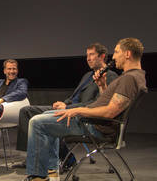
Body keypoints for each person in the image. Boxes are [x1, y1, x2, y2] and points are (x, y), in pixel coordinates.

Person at [23, 38, 147, 181]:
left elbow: (110, 112)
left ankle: (38, 177)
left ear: (127, 54)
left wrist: (78, 110)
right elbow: (111, 106)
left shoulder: (129, 78)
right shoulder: (136, 76)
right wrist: (102, 86)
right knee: (46, 115)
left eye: (117, 52)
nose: (113, 56)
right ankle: (51, 171)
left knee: (37, 122)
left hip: (94, 125)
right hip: (97, 122)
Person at [14, 43, 118, 169]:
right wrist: (64, 103)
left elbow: (97, 103)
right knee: (27, 111)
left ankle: (64, 159)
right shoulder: (88, 75)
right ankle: (32, 156)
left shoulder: (110, 76)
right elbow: (75, 95)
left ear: (102, 56)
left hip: (80, 114)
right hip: (68, 108)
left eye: (91, 55)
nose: (88, 58)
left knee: (41, 120)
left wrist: (68, 108)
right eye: (87, 55)